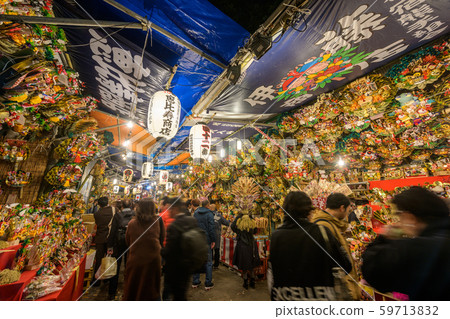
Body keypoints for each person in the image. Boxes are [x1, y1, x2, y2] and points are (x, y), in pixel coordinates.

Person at [362, 187, 450, 301]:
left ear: (410, 217)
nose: (398, 222)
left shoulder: (415, 248)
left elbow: (373, 272)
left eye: (399, 216)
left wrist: (385, 237)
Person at [269, 191, 352, 301]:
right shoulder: (322, 232)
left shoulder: (275, 237)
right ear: (308, 211)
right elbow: (346, 264)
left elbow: (271, 275)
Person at [310, 193, 361, 300]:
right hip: (335, 288)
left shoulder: (330, 224)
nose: (348, 213)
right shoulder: (325, 225)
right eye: (348, 209)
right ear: (342, 208)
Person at [123, 198, 165, 301]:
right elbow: (161, 239)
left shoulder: (132, 223)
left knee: (134, 287)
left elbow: (128, 241)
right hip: (153, 260)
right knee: (152, 288)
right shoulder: (158, 221)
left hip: (136, 259)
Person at [162, 199, 199, 300]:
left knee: (172, 293)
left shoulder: (174, 225)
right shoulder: (191, 220)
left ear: (175, 209)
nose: (169, 212)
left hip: (175, 268)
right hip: (187, 268)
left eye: (170, 209)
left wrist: (161, 252)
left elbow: (170, 250)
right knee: (181, 295)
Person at [106, 199, 135, 300]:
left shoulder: (117, 215)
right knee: (129, 267)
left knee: (115, 267)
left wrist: (110, 246)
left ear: (121, 206)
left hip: (117, 244)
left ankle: (112, 293)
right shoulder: (134, 215)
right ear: (131, 205)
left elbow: (113, 231)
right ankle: (128, 290)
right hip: (130, 243)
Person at [231, 210, 261, 289]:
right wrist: (251, 217)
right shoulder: (251, 223)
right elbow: (255, 231)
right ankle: (252, 281)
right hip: (251, 245)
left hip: (242, 245)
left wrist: (238, 216)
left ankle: (245, 282)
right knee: (251, 264)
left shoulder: (239, 225)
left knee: (244, 264)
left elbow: (232, 226)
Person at [192, 199, 216, 290]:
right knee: (209, 262)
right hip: (207, 240)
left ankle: (195, 281)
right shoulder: (209, 214)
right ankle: (208, 283)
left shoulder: (196, 213)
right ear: (208, 205)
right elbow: (211, 228)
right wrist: (213, 240)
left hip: (197, 239)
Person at [93, 196, 116, 282]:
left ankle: (97, 279)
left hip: (100, 238)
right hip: (110, 238)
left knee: (99, 258)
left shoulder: (97, 214)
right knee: (109, 257)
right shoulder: (114, 211)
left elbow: (97, 224)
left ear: (99, 204)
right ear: (107, 202)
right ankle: (108, 277)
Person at [210, 202, 230, 269]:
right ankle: (216, 264)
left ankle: (209, 264)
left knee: (210, 249)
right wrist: (230, 221)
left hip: (209, 234)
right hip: (217, 234)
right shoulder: (219, 215)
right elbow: (226, 223)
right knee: (217, 249)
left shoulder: (208, 215)